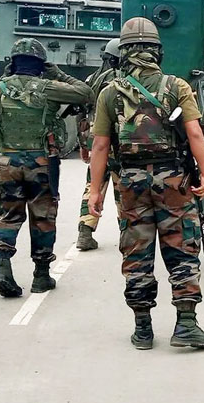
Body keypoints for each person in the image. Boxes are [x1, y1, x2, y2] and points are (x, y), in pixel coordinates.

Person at [88, 17, 204, 350]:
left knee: (136, 251)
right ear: (157, 51)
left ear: (125, 52)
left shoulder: (109, 93)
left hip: (129, 183)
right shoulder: (176, 87)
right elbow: (195, 133)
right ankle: (186, 324)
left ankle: (143, 329)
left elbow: (100, 146)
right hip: (173, 180)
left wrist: (94, 192)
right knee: (182, 248)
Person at [0, 38, 93, 298]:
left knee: (8, 215)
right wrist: (57, 72)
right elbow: (86, 93)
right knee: (43, 217)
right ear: (40, 64)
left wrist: (3, 80)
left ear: (13, 62)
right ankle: (41, 276)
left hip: (8, 162)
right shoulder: (49, 87)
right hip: (42, 163)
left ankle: (2, 267)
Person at [76, 38, 122, 251]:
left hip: (96, 142)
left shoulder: (92, 79)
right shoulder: (127, 81)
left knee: (93, 185)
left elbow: (82, 114)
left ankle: (85, 231)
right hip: (121, 144)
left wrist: (83, 144)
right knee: (123, 187)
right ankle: (127, 231)